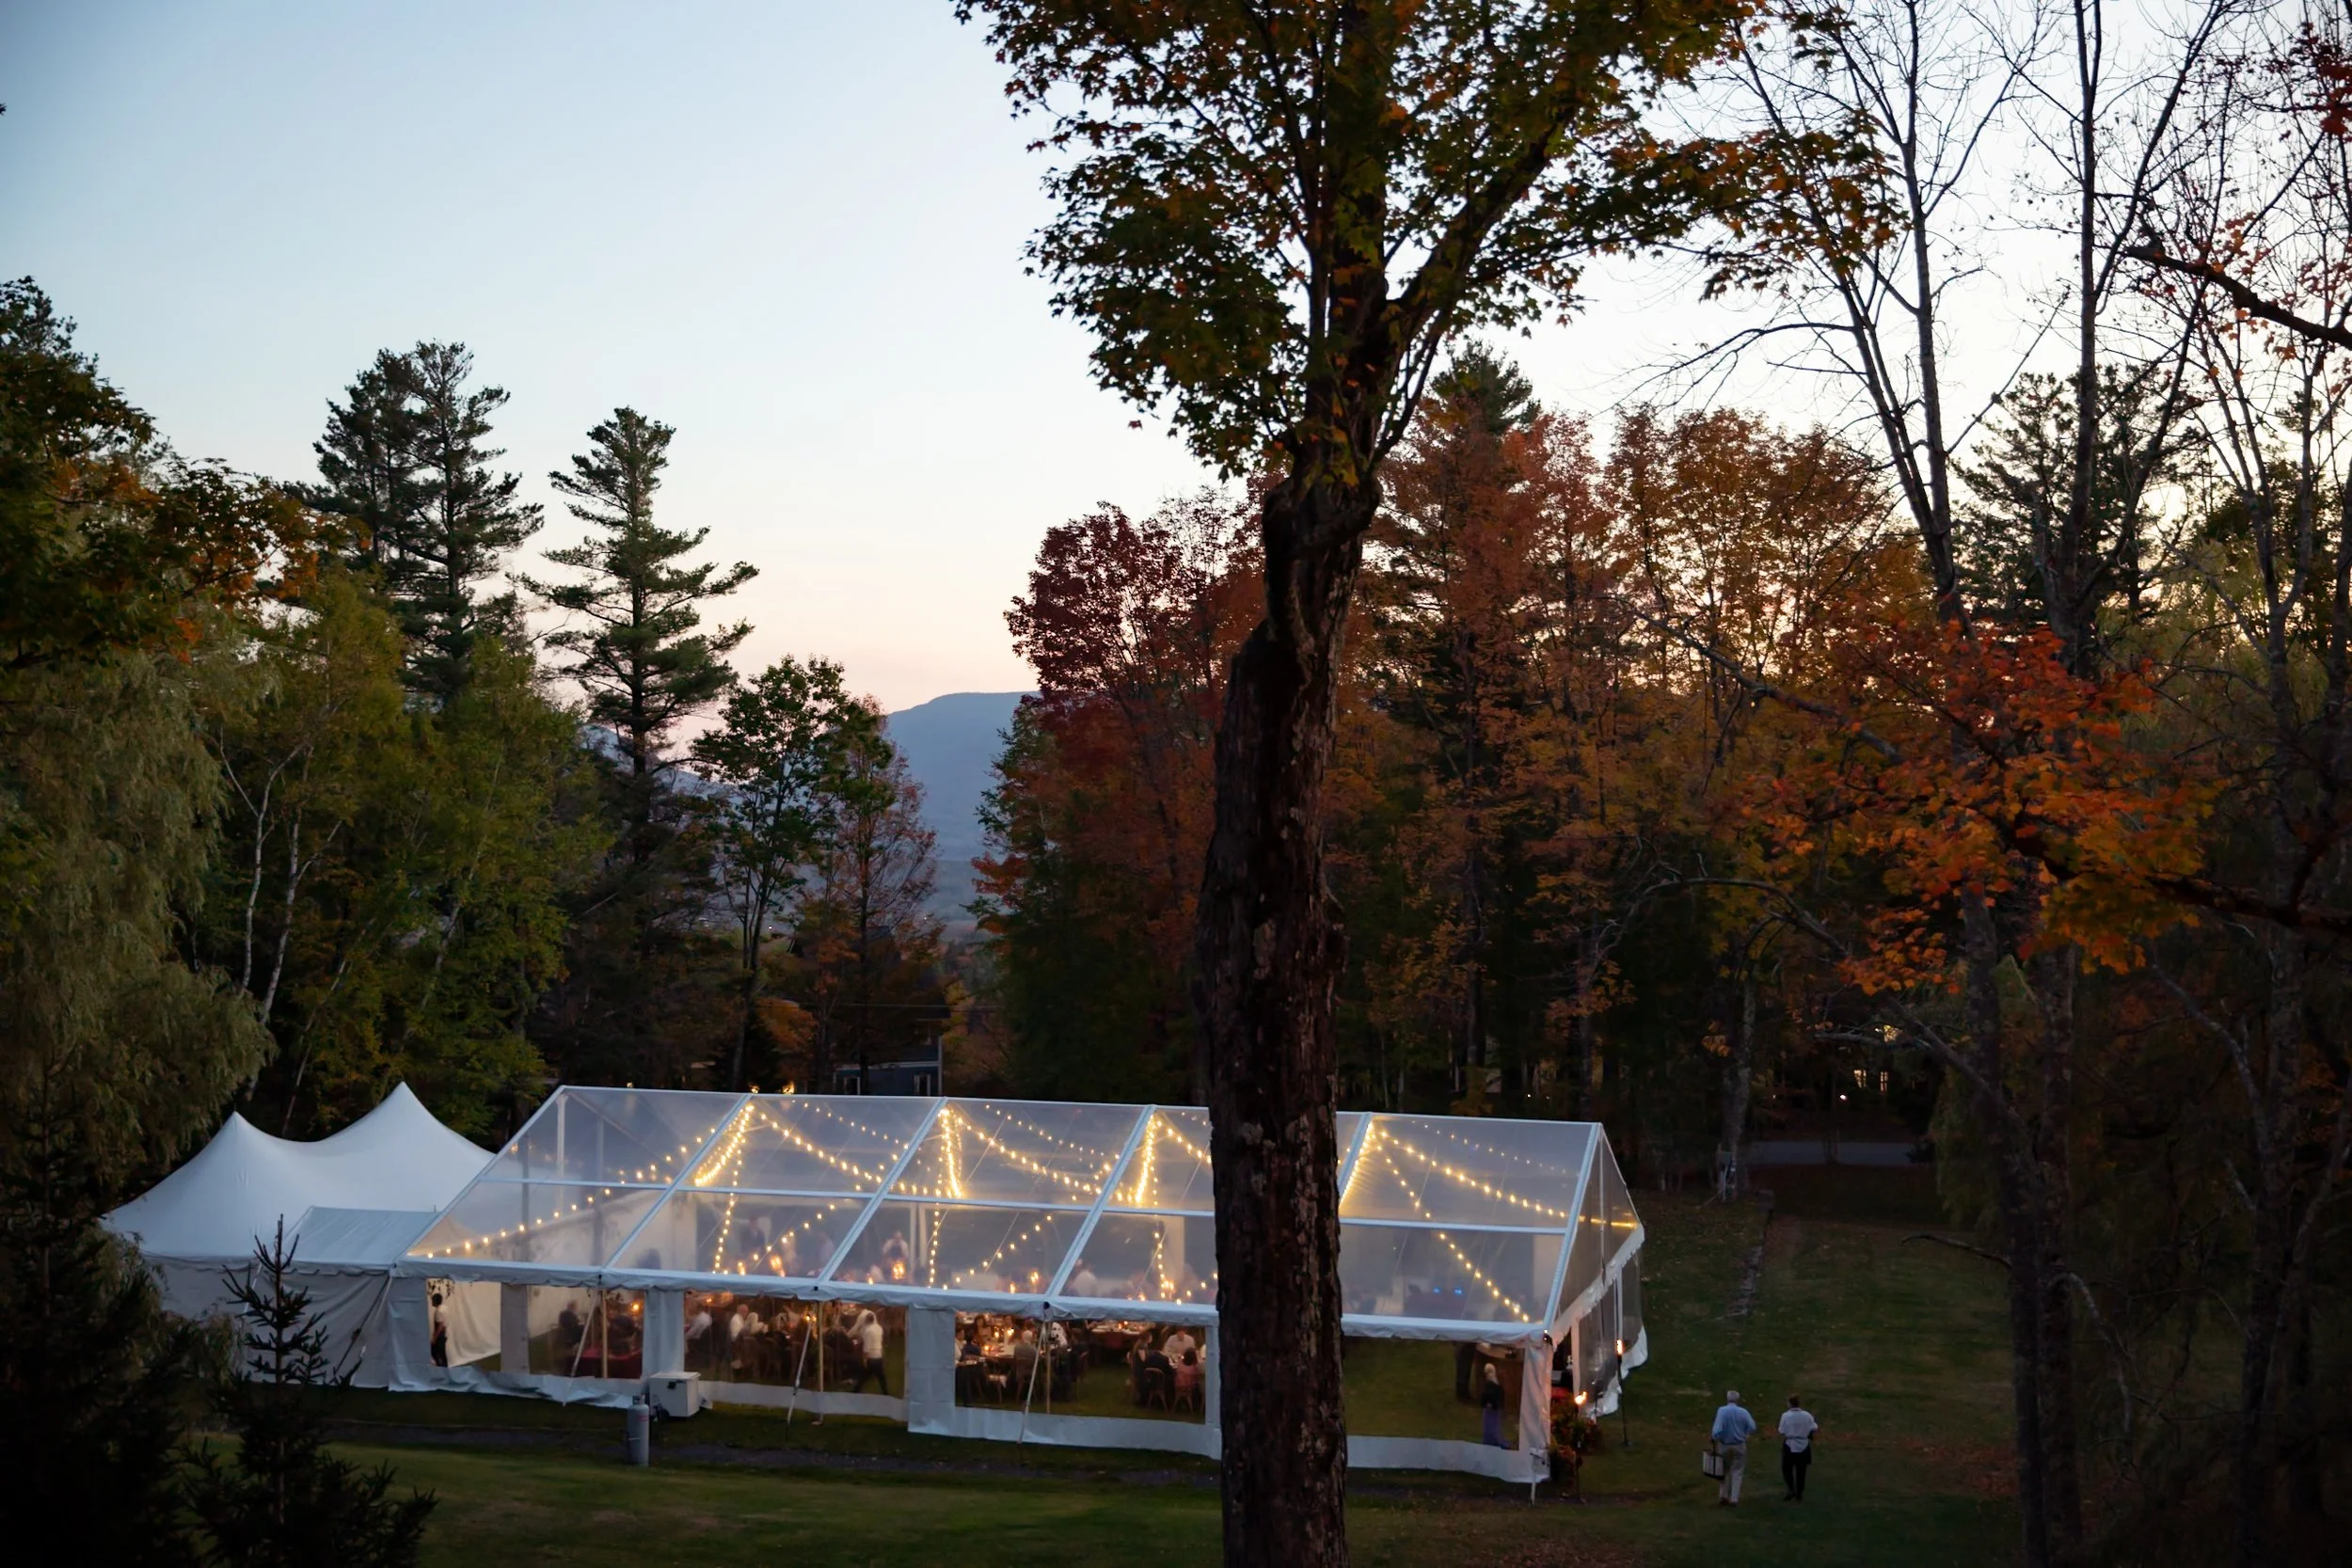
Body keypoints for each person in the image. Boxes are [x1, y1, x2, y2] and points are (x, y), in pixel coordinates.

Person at [1711, 1389, 1757, 1506]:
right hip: (1739, 1444)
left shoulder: (1722, 1411)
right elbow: (1752, 1426)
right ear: (1738, 1399)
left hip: (1724, 1445)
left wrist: (1716, 1438)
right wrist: (1745, 1434)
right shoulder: (1743, 1412)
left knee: (1723, 1470)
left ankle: (1723, 1495)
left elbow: (1717, 1430)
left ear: (1727, 1398)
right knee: (1737, 1470)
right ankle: (1734, 1498)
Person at [1778, 1394, 1820, 1501]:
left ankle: (1791, 1488)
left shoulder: (1785, 1415)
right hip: (1804, 1444)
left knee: (1787, 1468)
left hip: (1790, 1443)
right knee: (1801, 1470)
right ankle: (1799, 1492)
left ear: (1790, 1404)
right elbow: (1814, 1427)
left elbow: (1781, 1431)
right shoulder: (1807, 1415)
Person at [851, 1308, 888, 1394]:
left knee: (865, 1376)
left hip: (872, 1358)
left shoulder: (868, 1331)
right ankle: (885, 1392)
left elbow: (867, 1347)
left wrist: (865, 1359)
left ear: (867, 1320)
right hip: (879, 1355)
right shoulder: (879, 1328)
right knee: (879, 1377)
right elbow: (880, 1341)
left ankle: (856, 1390)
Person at [1479, 1362, 1506, 1447]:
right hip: (1495, 1408)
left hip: (1491, 1409)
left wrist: (1487, 1403)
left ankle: (1492, 1440)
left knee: (1490, 1426)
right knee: (1494, 1425)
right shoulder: (1496, 1385)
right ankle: (1495, 1439)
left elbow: (1486, 1395)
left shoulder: (1489, 1385)